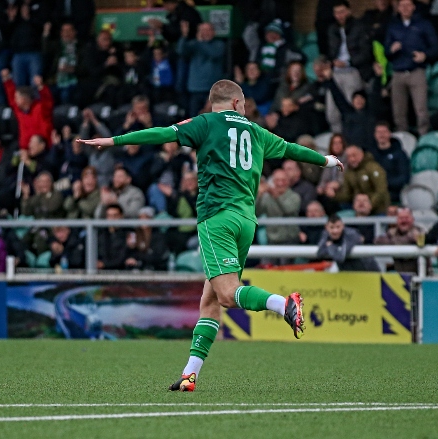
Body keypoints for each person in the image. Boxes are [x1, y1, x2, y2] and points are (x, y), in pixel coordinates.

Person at [77, 79, 344, 391]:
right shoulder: (255, 131)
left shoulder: (204, 123)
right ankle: (190, 374)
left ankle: (282, 304)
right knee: (211, 299)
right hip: (246, 221)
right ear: (234, 103)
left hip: (216, 219)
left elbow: (163, 133)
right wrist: (326, 159)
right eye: (243, 105)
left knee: (229, 294)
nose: (244, 111)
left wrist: (113, 140)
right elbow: (291, 149)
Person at [384, 0, 438, 134]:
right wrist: (391, 50)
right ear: (398, 8)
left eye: (408, 5)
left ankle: (423, 135)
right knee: (398, 111)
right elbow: (386, 52)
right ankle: (403, 137)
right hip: (398, 72)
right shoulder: (393, 26)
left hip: (416, 71)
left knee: (421, 109)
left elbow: (436, 47)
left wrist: (425, 55)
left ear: (413, 7)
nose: (405, 8)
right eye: (402, 5)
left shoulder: (424, 24)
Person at [325, 0, 373, 105]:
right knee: (332, 111)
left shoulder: (359, 27)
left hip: (353, 70)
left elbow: (365, 53)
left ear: (349, 11)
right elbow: (330, 51)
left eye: (342, 12)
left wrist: (347, 63)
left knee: (351, 104)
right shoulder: (332, 29)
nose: (339, 16)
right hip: (335, 72)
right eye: (337, 13)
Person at [177, 22, 226, 117]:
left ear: (214, 32)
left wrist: (200, 42)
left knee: (213, 119)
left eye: (208, 30)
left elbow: (214, 53)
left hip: (212, 90)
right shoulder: (194, 44)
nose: (205, 33)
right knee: (194, 120)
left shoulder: (219, 44)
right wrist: (184, 36)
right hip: (195, 89)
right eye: (202, 30)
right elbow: (181, 51)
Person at [1, 69, 54, 149]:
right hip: (26, 150)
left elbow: (47, 101)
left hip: (43, 148)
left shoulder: (40, 108)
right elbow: (11, 97)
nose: (15, 100)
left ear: (25, 98)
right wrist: (7, 79)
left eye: (17, 98)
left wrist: (41, 87)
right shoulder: (19, 111)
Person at [334, 144, 390, 215]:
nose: (352, 159)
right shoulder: (348, 172)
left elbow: (381, 190)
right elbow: (347, 194)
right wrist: (334, 195)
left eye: (354, 155)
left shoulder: (373, 168)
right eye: (349, 157)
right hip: (359, 210)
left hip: (378, 209)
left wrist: (370, 205)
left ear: (361, 154)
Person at [256, 169, 301, 245]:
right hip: (271, 239)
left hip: (290, 239)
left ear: (288, 181)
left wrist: (276, 196)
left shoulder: (295, 197)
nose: (280, 183)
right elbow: (257, 212)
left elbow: (288, 210)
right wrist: (259, 197)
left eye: (283, 180)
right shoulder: (267, 197)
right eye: (277, 180)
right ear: (273, 181)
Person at [374, 208, 424, 274]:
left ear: (412, 219)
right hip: (400, 277)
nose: (404, 221)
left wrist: (393, 241)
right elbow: (377, 241)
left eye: (406, 218)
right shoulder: (393, 232)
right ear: (397, 220)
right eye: (401, 218)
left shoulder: (420, 231)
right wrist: (406, 240)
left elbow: (420, 239)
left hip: (420, 275)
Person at [370, 121, 410, 203]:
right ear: (375, 135)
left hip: (394, 196)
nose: (381, 135)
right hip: (373, 196)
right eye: (379, 132)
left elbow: (404, 177)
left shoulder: (400, 154)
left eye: (384, 132)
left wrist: (384, 183)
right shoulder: (370, 155)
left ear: (389, 134)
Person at [97, 203, 129, 270]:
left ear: (121, 216)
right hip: (101, 273)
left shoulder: (127, 233)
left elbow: (124, 257)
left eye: (115, 215)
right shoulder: (100, 234)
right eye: (109, 216)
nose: (112, 219)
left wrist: (105, 264)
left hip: (121, 272)